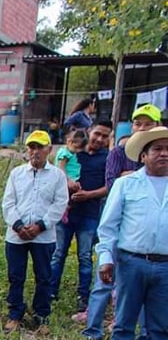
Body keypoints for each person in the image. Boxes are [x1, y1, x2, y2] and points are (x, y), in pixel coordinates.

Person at [95, 125, 168, 340]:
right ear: (144, 155)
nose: (164, 154)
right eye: (158, 149)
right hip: (131, 262)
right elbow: (109, 226)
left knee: (161, 327)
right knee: (124, 322)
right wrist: (106, 259)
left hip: (165, 266)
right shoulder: (127, 184)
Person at [80, 104, 160, 340]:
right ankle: (92, 331)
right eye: (138, 123)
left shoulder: (160, 158)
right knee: (104, 279)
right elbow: (112, 183)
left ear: (157, 127)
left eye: (148, 124)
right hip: (117, 227)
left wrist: (127, 176)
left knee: (148, 291)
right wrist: (129, 177)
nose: (142, 128)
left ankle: (144, 339)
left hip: (145, 237)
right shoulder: (118, 152)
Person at [1, 131, 68, 334]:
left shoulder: (57, 176)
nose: (35, 151)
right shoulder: (17, 174)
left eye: (40, 147)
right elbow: (8, 203)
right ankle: (15, 314)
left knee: (44, 276)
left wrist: (40, 225)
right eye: (32, 147)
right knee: (16, 275)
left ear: (49, 149)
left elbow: (60, 204)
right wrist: (19, 226)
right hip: (16, 236)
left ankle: (41, 316)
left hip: (44, 237)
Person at [48, 120, 112, 311]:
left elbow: (110, 187)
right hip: (65, 212)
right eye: (97, 134)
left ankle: (83, 297)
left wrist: (89, 195)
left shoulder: (107, 158)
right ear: (89, 131)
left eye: (105, 136)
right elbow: (56, 170)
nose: (99, 139)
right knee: (57, 254)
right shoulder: (74, 150)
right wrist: (66, 180)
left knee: (85, 256)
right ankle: (50, 292)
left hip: (89, 214)